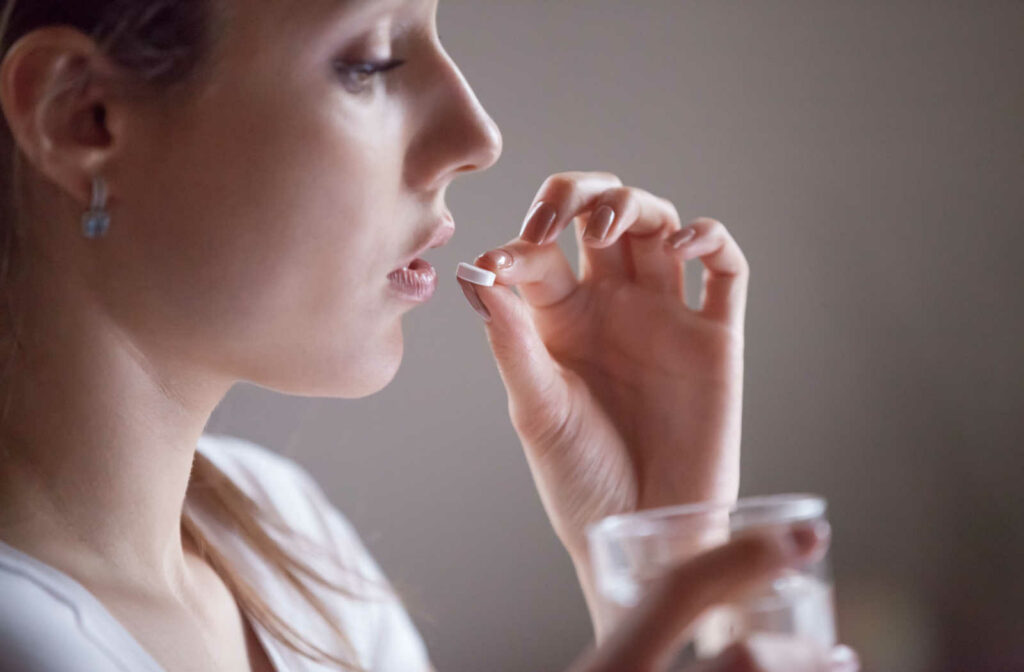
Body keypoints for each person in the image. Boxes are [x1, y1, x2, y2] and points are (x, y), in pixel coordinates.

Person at [0, 1, 857, 671]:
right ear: (84, 115)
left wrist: (656, 569)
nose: (477, 137)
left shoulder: (290, 539)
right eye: (368, 61)